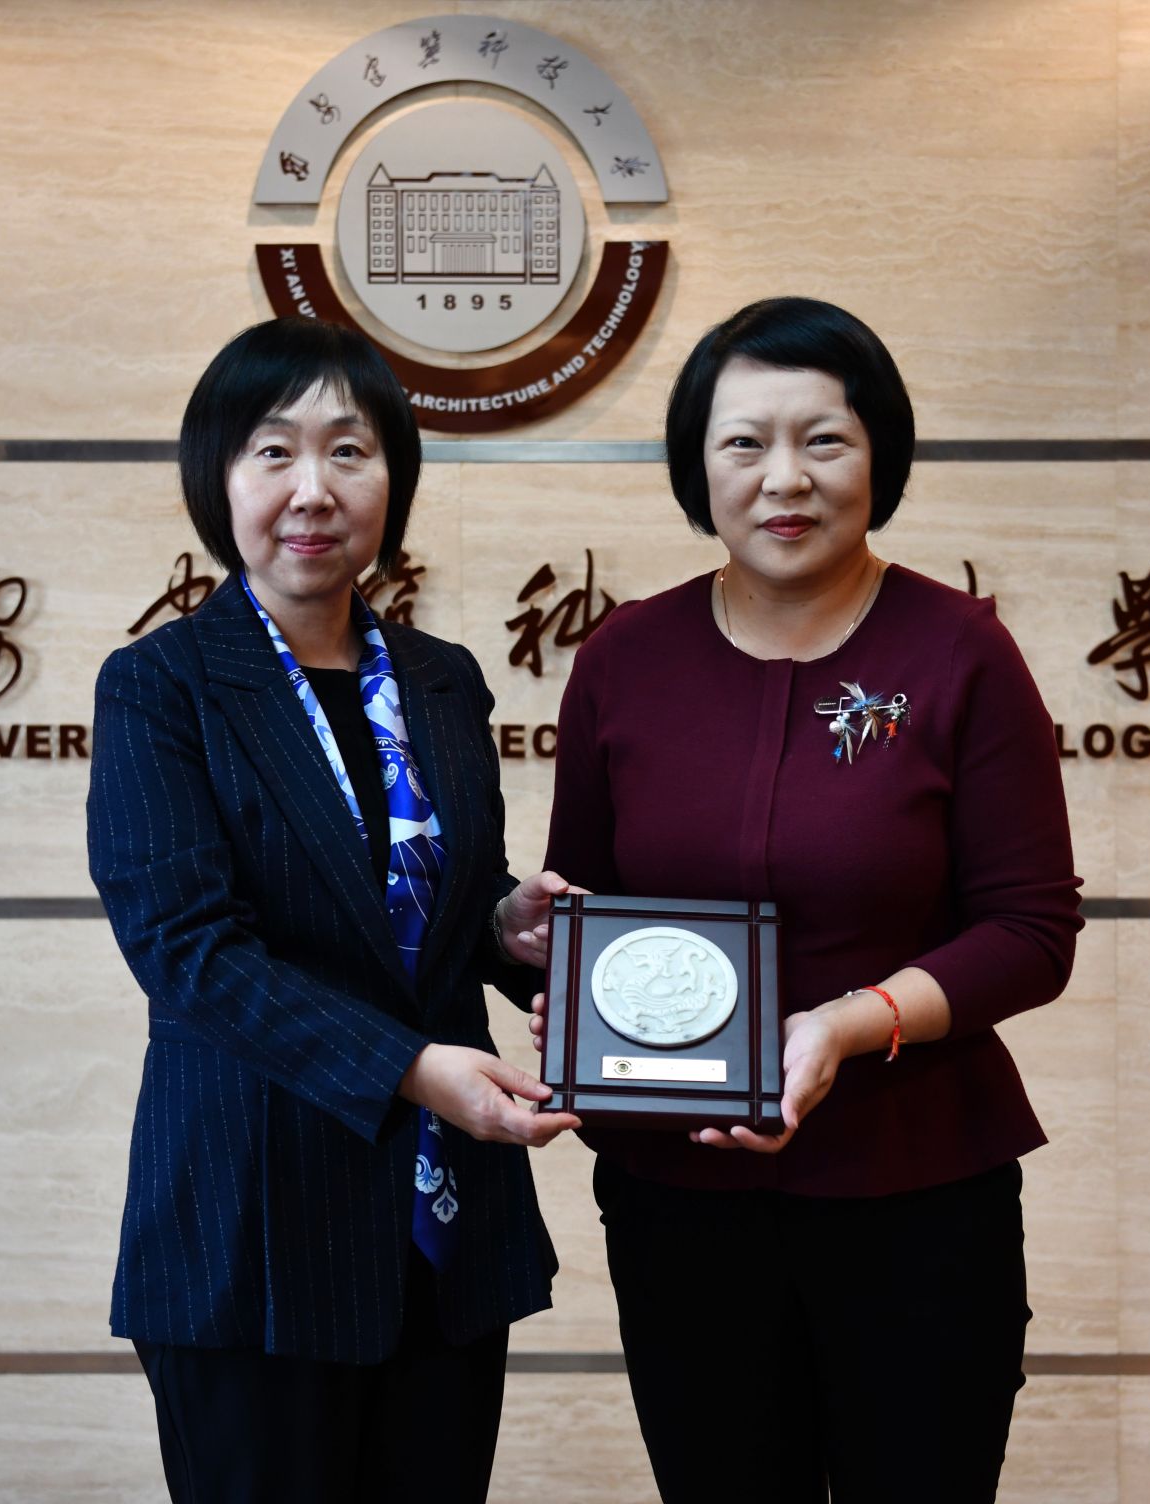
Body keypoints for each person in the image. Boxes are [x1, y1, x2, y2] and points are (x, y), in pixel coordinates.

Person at [533, 297, 1083, 1502]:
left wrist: (846, 1023)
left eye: (822, 439)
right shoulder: (624, 659)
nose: (783, 477)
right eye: (743, 442)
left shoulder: (958, 652)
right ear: (697, 466)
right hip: (678, 1203)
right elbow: (582, 912)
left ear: (879, 455)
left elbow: (1030, 930)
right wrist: (542, 960)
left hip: (917, 1189)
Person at [89, 317, 580, 1504]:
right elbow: (190, 953)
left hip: (439, 1230)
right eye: (273, 452)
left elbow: (427, 900)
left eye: (348, 452)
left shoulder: (442, 680)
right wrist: (413, 1068)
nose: (312, 489)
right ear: (218, 478)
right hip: (254, 1228)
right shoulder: (160, 685)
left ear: (390, 479)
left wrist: (503, 925)